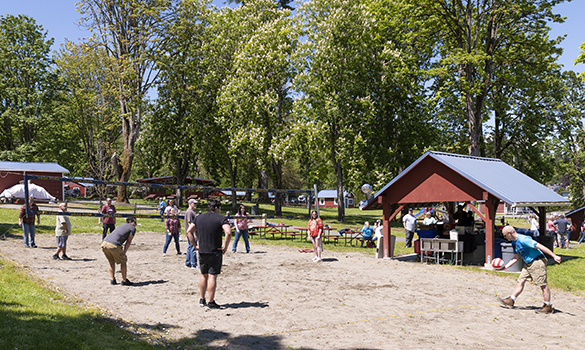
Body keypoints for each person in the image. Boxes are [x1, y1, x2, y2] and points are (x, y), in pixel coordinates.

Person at [497, 226, 561, 314]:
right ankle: (511, 300)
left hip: (537, 261)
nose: (504, 237)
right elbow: (516, 257)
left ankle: (547, 306)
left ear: (510, 233)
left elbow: (540, 246)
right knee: (520, 281)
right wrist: (505, 267)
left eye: (504, 235)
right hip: (528, 264)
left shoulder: (523, 239)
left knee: (543, 284)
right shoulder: (514, 243)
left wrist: (554, 256)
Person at [186, 199, 231, 309]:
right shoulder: (221, 218)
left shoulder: (199, 217)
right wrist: (225, 246)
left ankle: (202, 299)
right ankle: (211, 302)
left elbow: (189, 231)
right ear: (216, 208)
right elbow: (228, 232)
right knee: (212, 276)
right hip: (215, 250)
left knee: (203, 275)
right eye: (220, 208)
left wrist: (195, 245)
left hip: (202, 250)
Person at [101, 216, 137, 285]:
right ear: (130, 222)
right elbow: (128, 242)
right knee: (123, 261)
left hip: (104, 243)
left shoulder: (121, 226)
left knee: (111, 262)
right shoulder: (132, 228)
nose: (135, 224)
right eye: (134, 222)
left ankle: (112, 280)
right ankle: (124, 280)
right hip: (114, 245)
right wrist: (124, 253)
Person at [184, 199, 198, 269]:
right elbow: (189, 223)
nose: (195, 204)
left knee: (190, 247)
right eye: (194, 203)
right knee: (193, 248)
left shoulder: (190, 211)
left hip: (190, 233)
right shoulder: (189, 212)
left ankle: (188, 263)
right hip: (191, 233)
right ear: (190, 203)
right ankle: (194, 264)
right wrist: (194, 234)